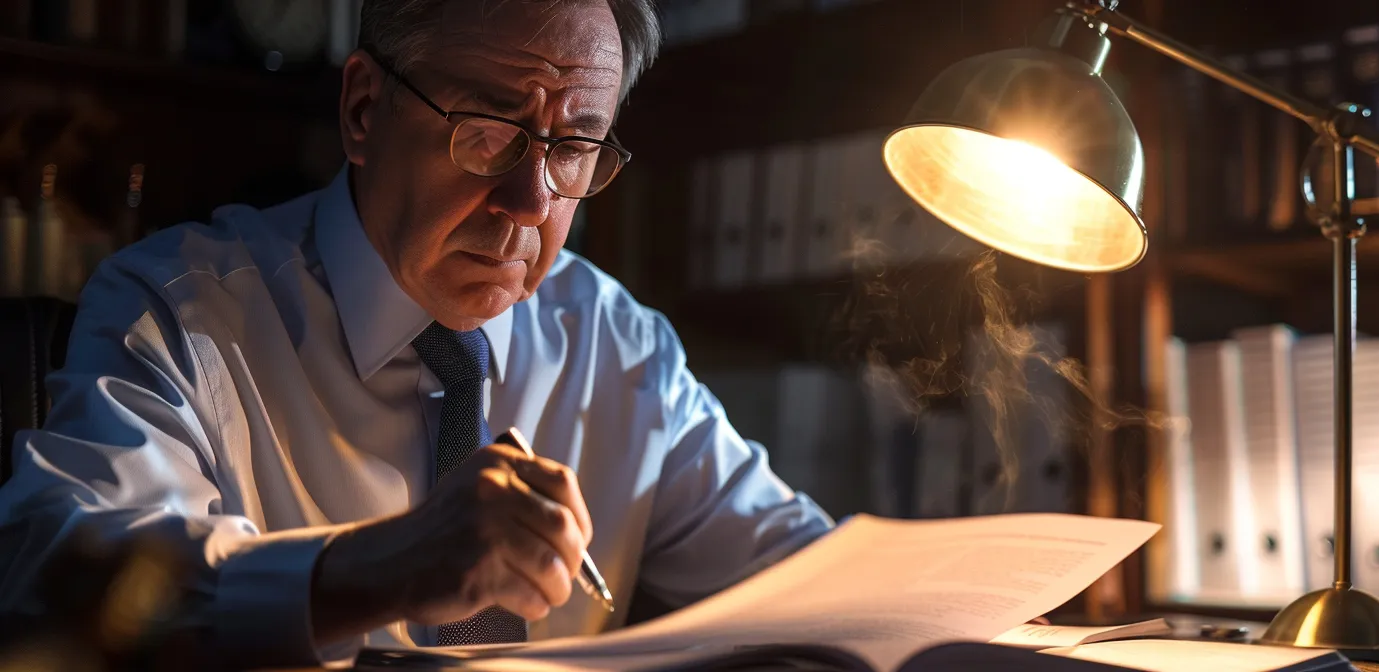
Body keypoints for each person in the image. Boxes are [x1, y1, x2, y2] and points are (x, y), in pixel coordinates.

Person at [0, 0, 835, 668]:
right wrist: (384, 569)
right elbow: (74, 581)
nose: (532, 203)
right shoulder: (176, 312)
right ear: (363, 109)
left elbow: (815, 581)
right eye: (489, 130)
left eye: (574, 145)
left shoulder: (615, 342)